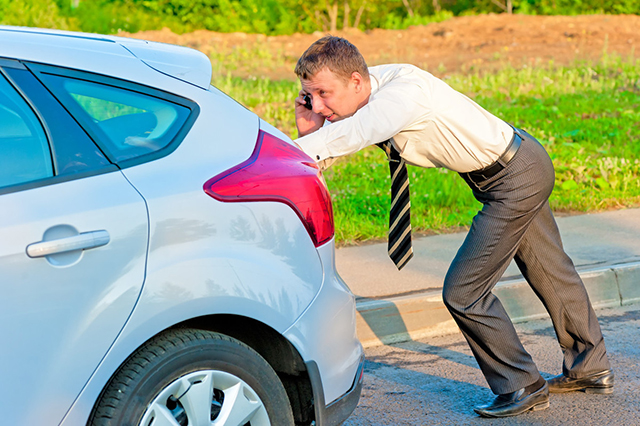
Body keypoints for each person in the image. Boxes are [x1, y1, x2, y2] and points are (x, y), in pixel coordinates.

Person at [293, 35, 614, 418]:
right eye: (310, 97)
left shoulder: (400, 96)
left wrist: (297, 146)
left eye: (324, 94)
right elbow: (332, 143)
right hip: (514, 168)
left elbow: (352, 135)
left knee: (464, 291)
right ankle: (591, 368)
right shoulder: (367, 90)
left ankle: (522, 385)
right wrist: (309, 129)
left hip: (514, 176)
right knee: (550, 270)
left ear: (357, 81)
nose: (320, 105)